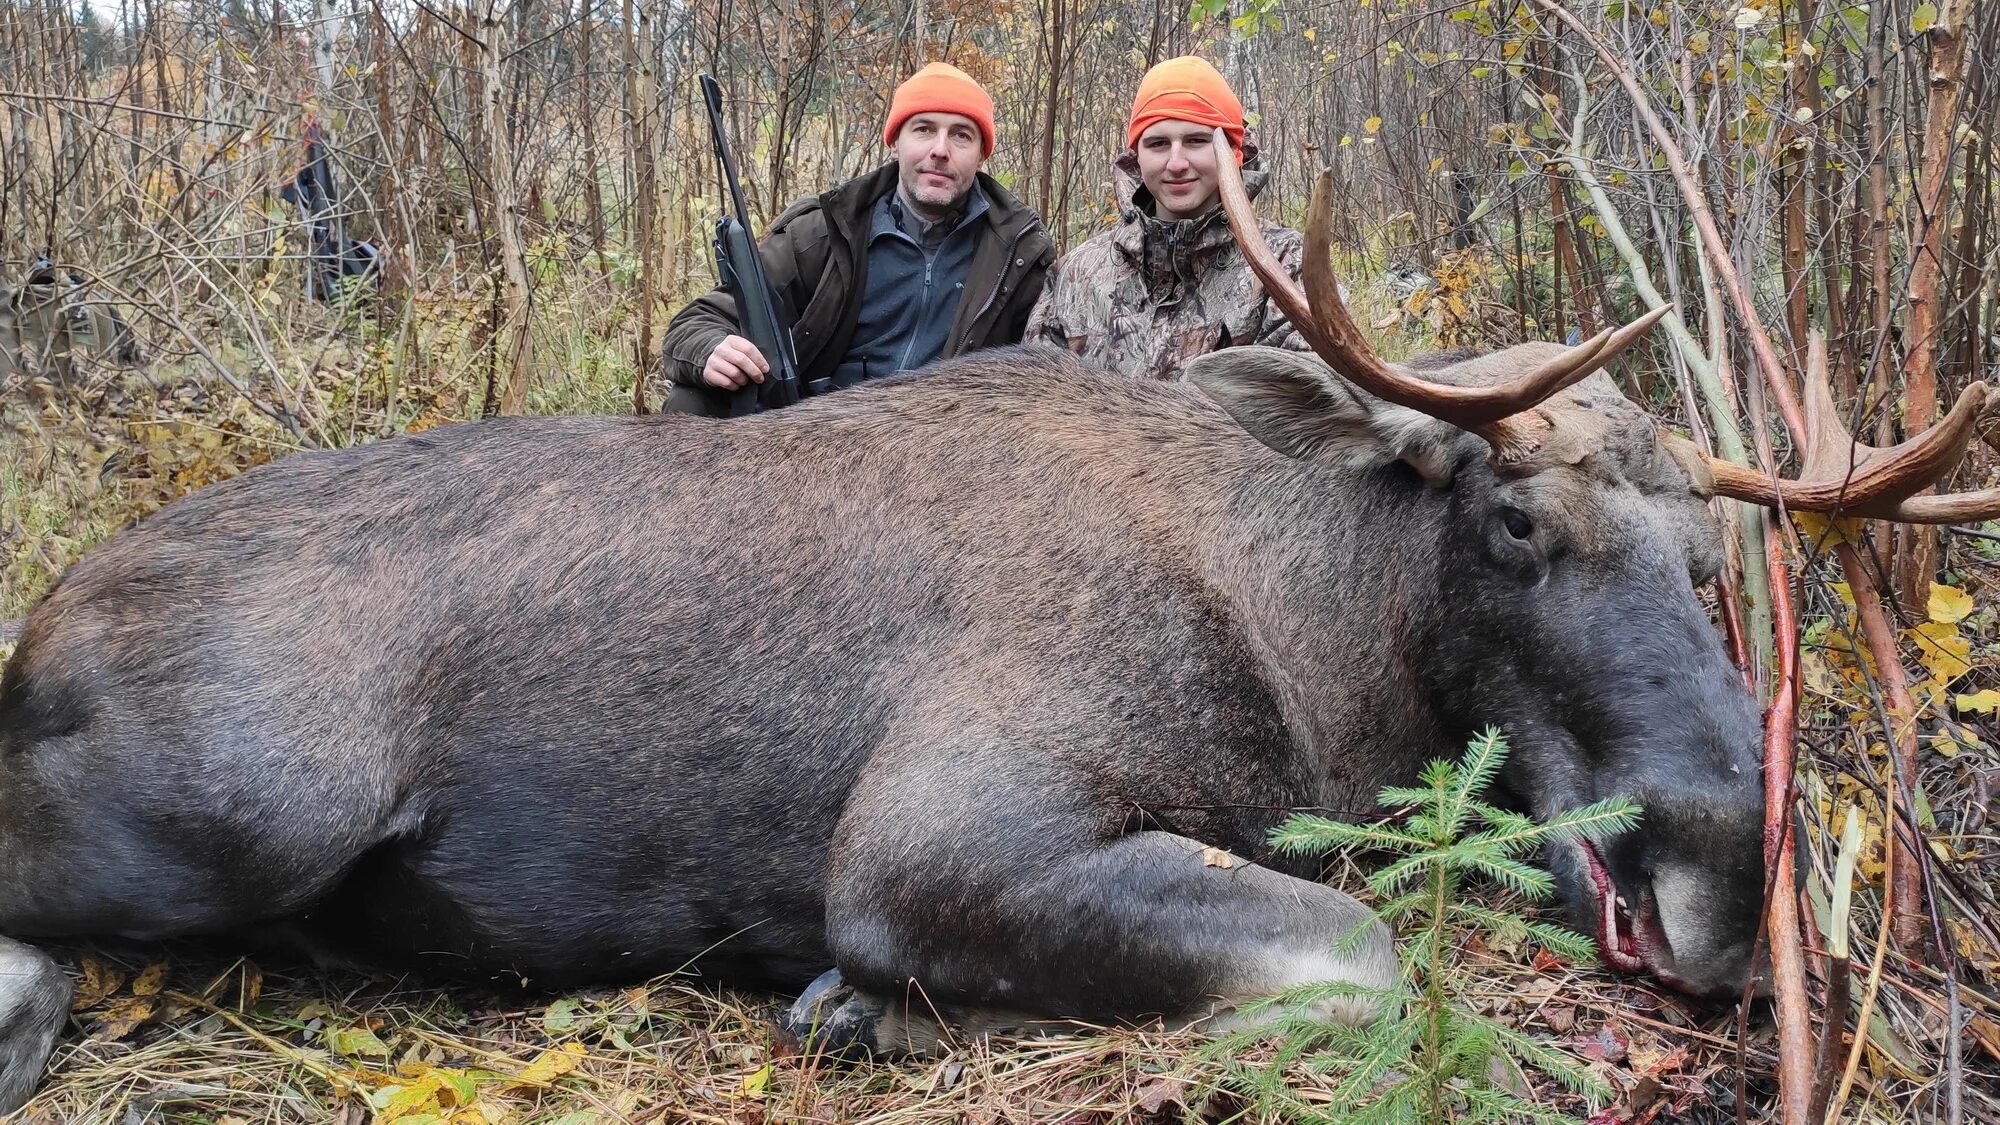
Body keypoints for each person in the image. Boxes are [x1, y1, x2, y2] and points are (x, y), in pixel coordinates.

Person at [658, 63, 1056, 415]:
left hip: (942, 454)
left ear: (981, 155)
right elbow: (699, 321)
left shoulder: (1017, 255)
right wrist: (712, 350)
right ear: (895, 141)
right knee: (692, 403)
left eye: (961, 136)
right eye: (923, 129)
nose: (940, 150)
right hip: (822, 434)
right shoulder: (824, 232)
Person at [1025, 56, 1307, 382]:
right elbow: (1035, 402)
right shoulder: (1077, 273)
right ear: (1137, 157)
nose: (1176, 163)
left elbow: (1309, 406)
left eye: (1196, 141)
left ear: (1233, 151)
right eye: (1158, 144)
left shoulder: (1285, 264)